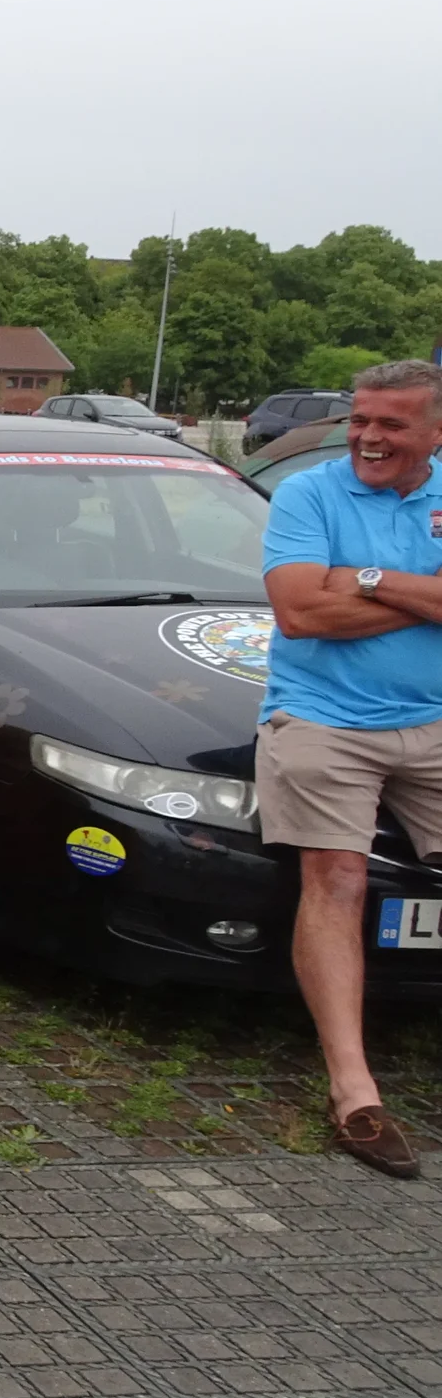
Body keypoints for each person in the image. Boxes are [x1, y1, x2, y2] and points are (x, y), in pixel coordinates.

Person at [258, 360, 442, 1180]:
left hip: (434, 722)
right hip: (321, 722)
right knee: (336, 878)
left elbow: (331, 597)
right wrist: (421, 590)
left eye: (392, 424)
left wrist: (361, 576)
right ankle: (353, 1089)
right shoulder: (309, 494)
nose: (368, 436)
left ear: (434, 432)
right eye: (360, 419)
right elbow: (298, 612)